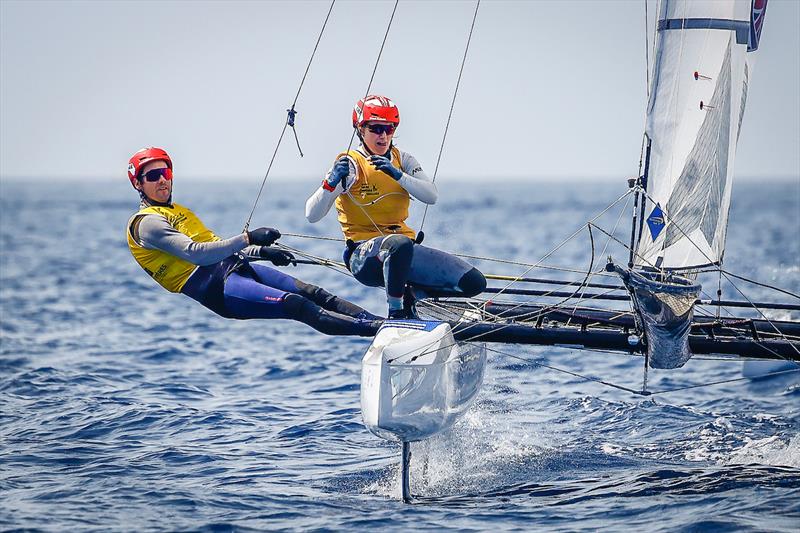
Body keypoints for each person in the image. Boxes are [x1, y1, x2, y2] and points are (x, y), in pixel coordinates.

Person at [125, 146, 381, 336]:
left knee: (313, 292)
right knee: (298, 306)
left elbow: (216, 246)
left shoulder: (176, 210)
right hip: (218, 288)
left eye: (165, 172)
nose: (162, 179)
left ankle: (384, 324)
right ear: (138, 183)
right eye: (152, 175)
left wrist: (262, 252)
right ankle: (376, 330)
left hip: (236, 268)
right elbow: (197, 254)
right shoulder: (146, 224)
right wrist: (248, 237)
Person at [305, 95, 486, 319]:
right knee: (398, 244)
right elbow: (311, 215)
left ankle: (412, 297)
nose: (383, 135)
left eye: (389, 129)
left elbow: (431, 196)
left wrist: (398, 175)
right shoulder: (350, 164)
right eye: (376, 128)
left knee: (474, 283)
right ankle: (396, 313)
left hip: (403, 252)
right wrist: (329, 183)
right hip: (364, 257)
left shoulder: (404, 160)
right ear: (360, 129)